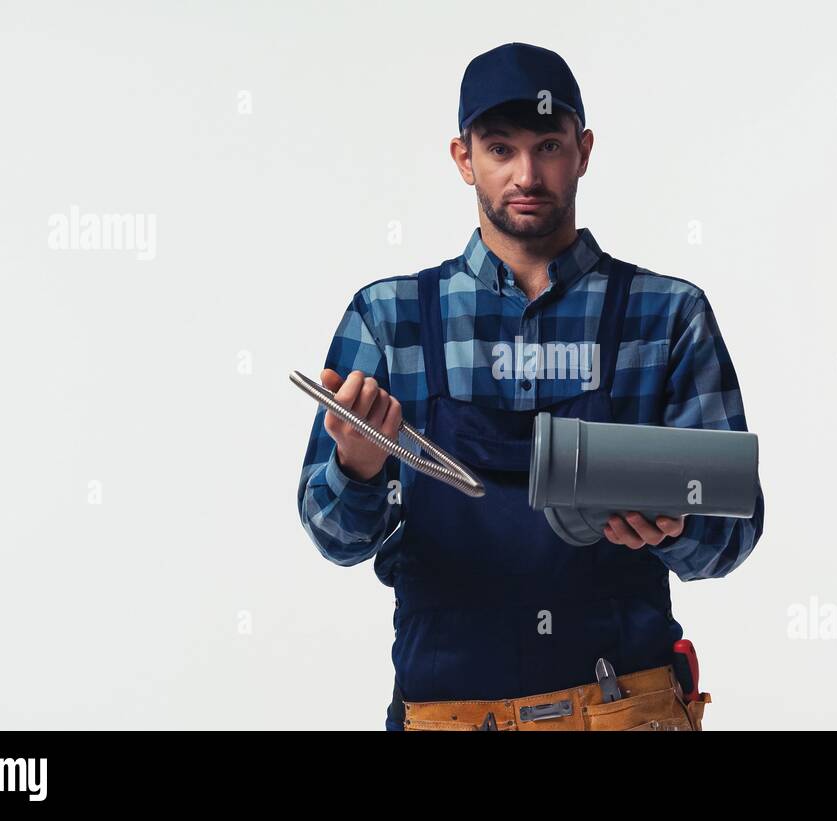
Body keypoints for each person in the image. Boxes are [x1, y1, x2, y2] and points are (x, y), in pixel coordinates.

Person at [297, 42, 764, 730]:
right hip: (450, 715)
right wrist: (358, 467)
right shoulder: (391, 317)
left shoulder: (667, 314)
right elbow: (333, 536)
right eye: (500, 148)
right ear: (464, 158)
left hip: (624, 710)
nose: (527, 173)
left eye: (548, 144)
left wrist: (677, 526)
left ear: (584, 150)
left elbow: (734, 531)